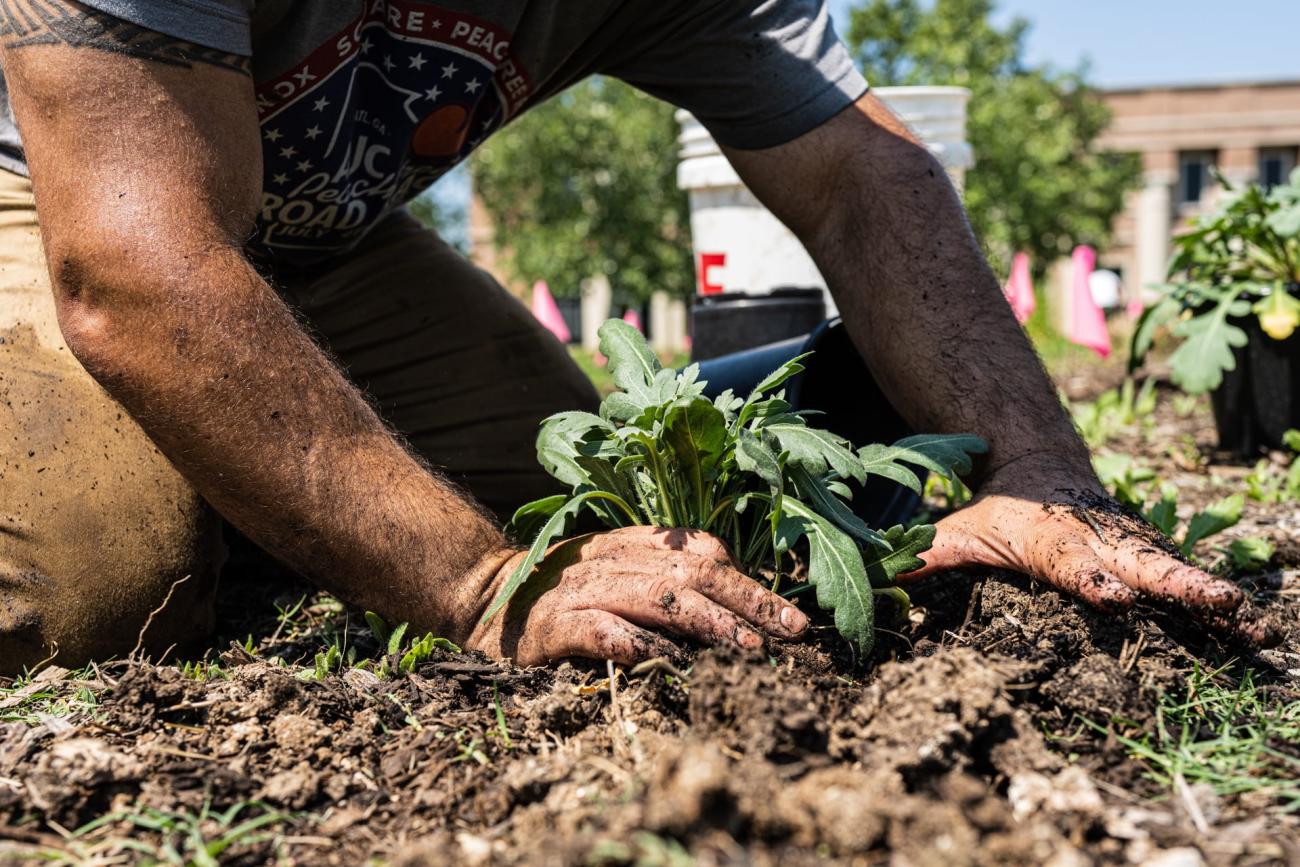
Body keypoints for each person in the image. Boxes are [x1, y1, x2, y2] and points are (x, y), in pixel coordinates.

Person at [0, 0, 1273, 674]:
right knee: (95, 585)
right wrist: (476, 590)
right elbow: (132, 272)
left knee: (547, 497)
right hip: (70, 207)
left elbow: (859, 174)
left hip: (311, 241)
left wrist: (1043, 478)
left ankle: (236, 495)